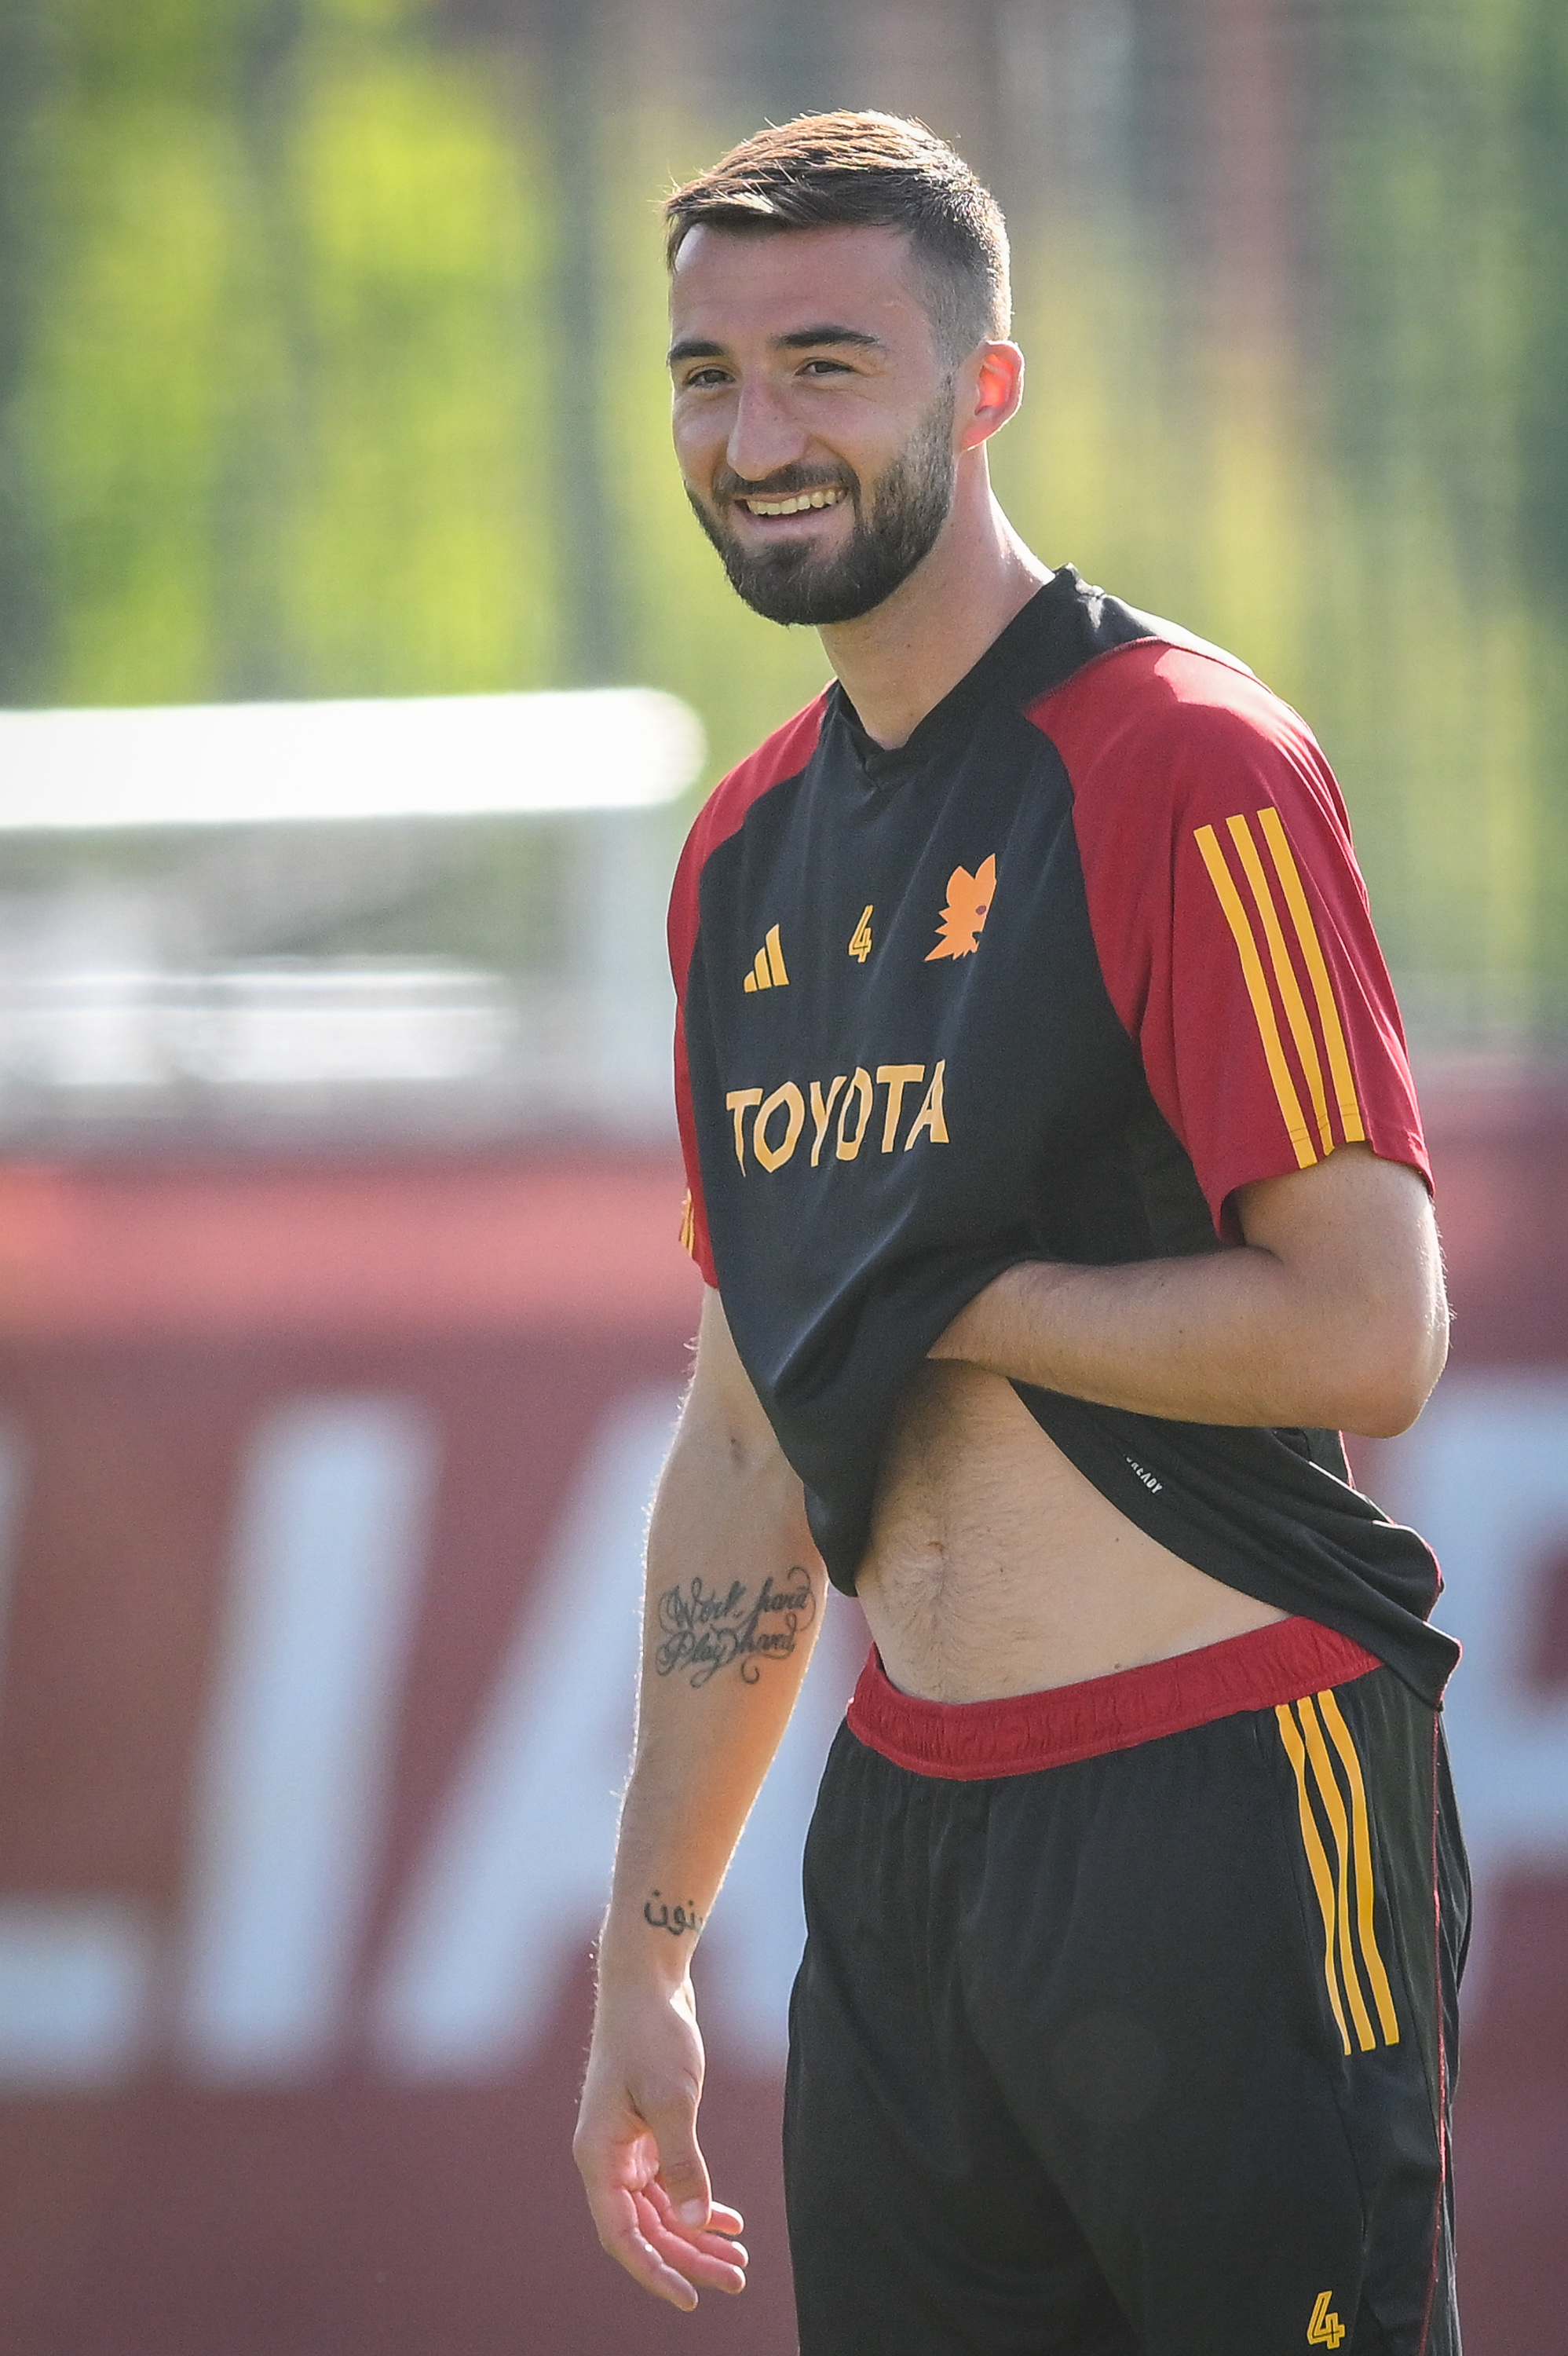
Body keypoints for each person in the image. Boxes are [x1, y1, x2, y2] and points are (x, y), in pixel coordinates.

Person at [573, 111, 1466, 2356]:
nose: (755, 436)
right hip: (905, 1852)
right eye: (707, 375)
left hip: (1229, 1798)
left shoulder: (1183, 758)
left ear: (983, 389)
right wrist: (649, 1952)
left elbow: (1374, 1333)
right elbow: (759, 1433)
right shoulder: (739, 859)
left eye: (826, 366)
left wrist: (964, 1301)